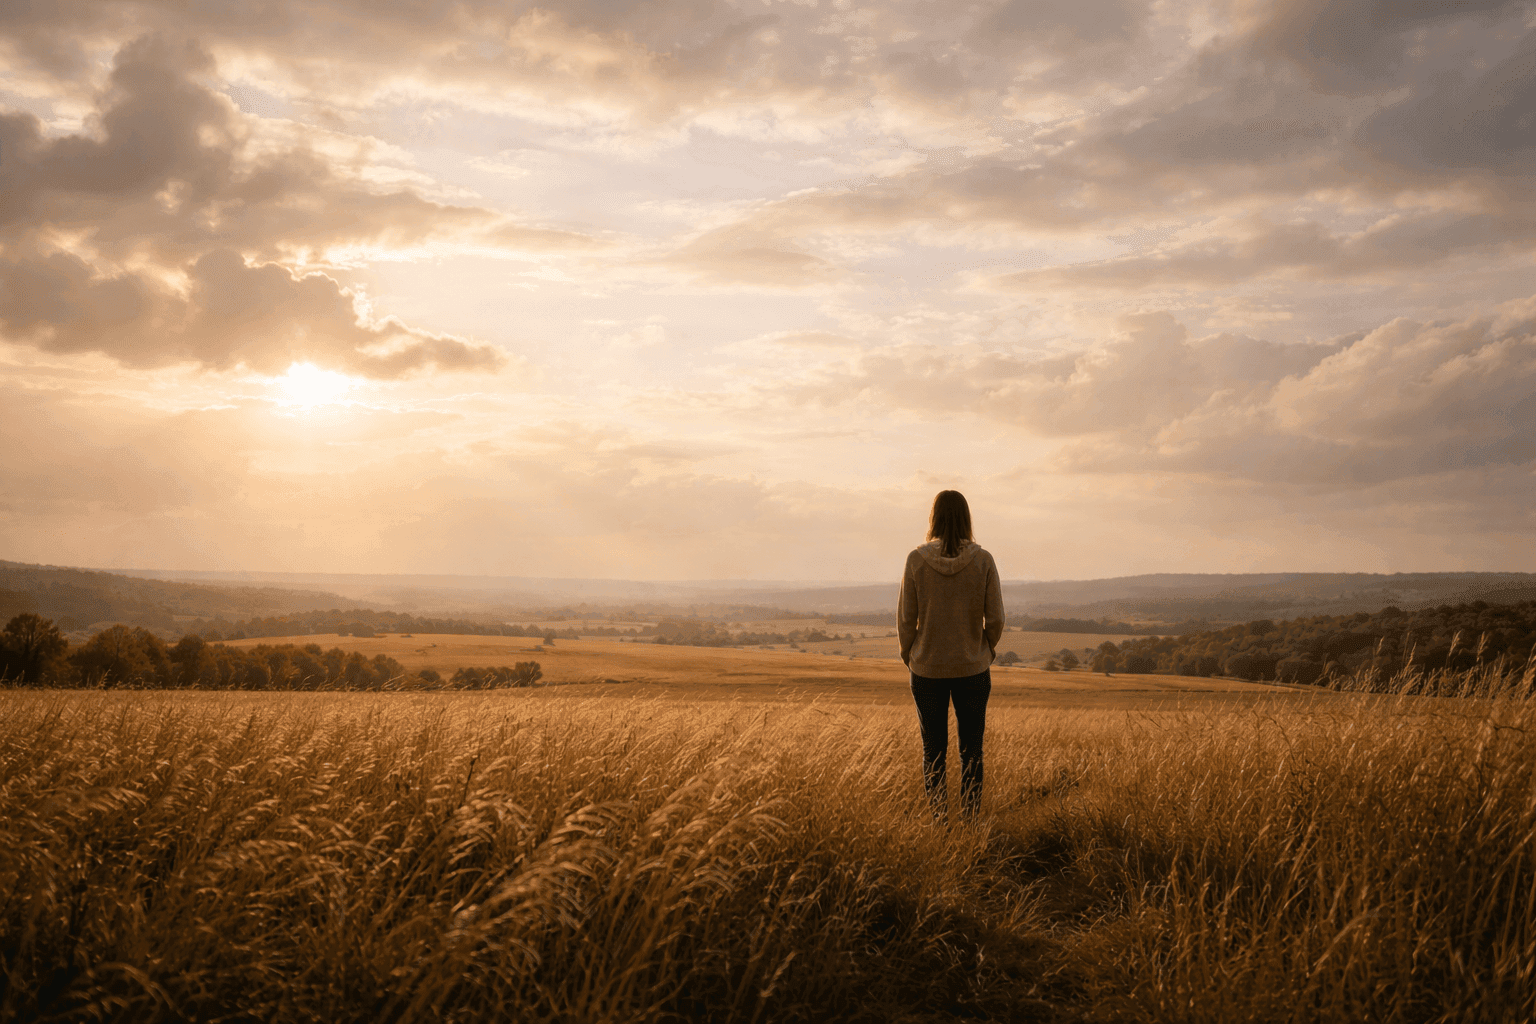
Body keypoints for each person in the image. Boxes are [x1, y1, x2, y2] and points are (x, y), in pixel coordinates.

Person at [897, 490, 1004, 822]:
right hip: (973, 668)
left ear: (934, 518)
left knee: (933, 752)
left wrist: (909, 652)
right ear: (967, 518)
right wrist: (984, 648)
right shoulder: (983, 560)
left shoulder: (916, 560)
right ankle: (970, 823)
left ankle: (939, 822)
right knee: (972, 750)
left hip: (927, 669)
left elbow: (905, 618)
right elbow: (996, 617)